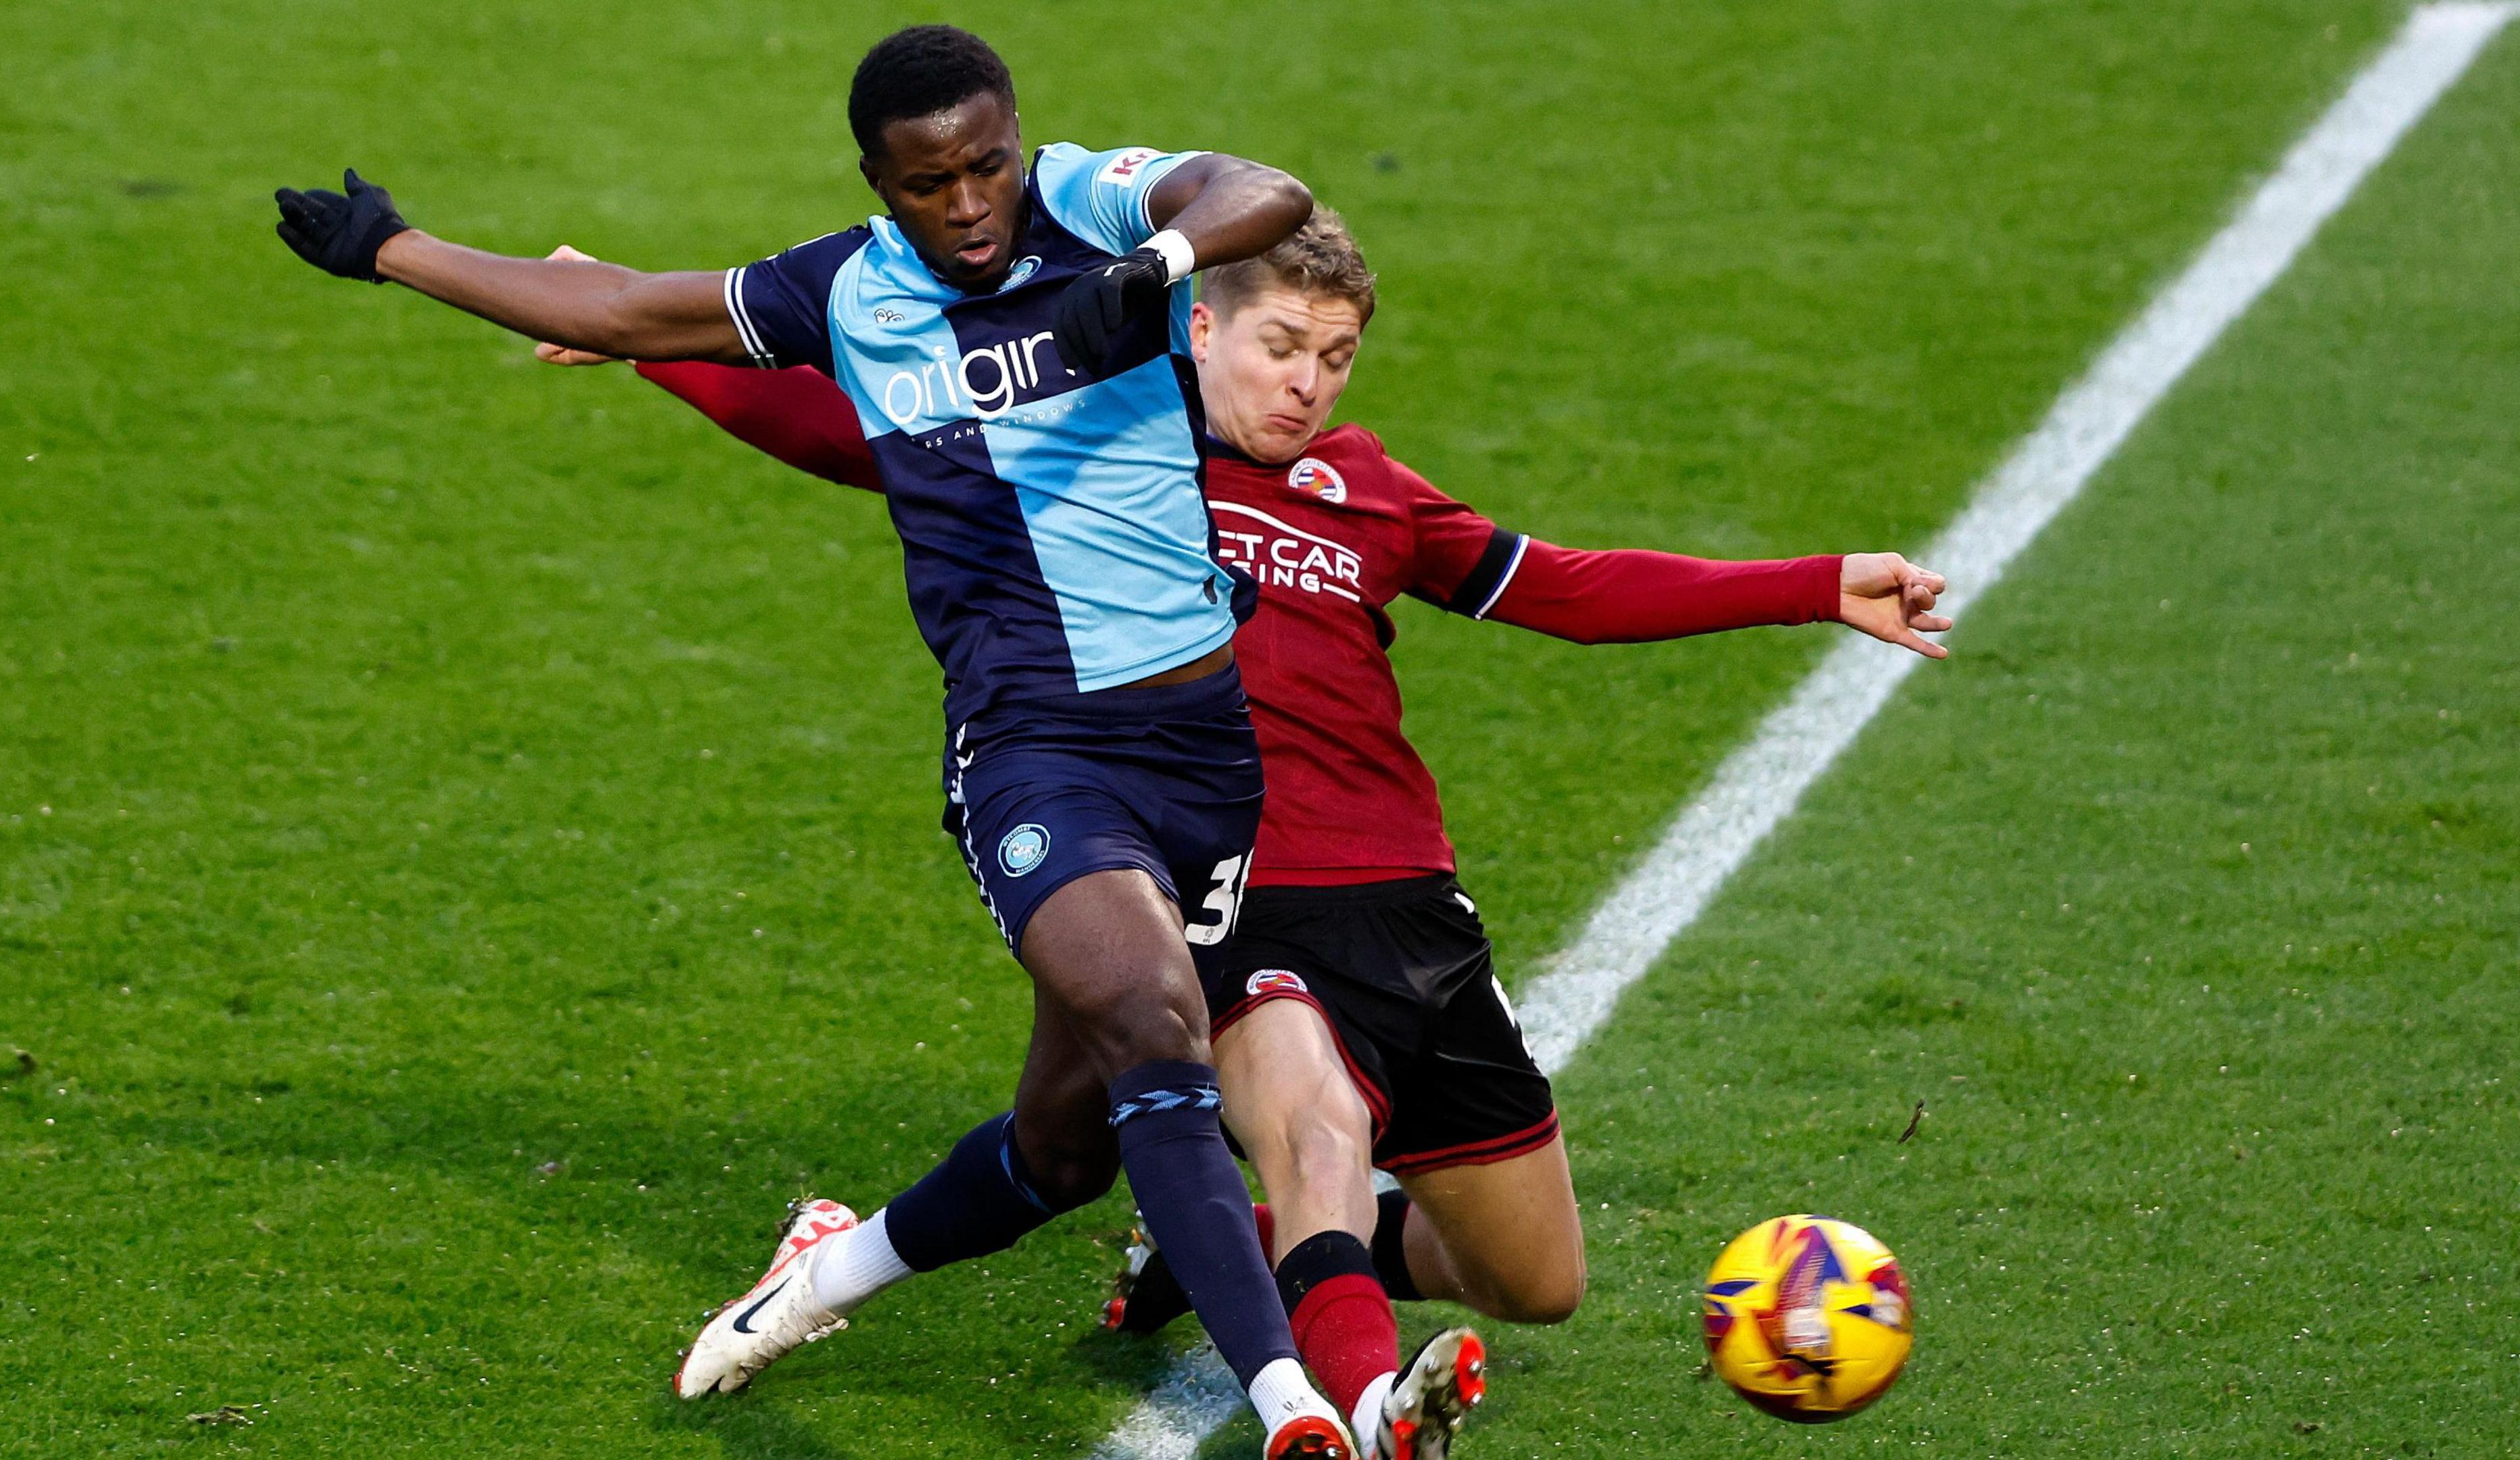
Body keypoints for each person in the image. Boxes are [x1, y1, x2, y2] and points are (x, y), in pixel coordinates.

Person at [538, 208, 1950, 1458]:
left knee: (1533, 1281)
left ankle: (1195, 1254)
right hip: (1218, 883)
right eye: (1282, 346)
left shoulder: (1370, 490)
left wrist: (1818, 583)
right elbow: (834, 424)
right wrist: (638, 335)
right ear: (1196, 319)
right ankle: (1359, 1413)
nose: (1306, 385)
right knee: (1316, 1131)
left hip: (1414, 914)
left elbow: (1564, 587)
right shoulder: (1077, 437)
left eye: (1334, 359)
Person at [272, 25, 1369, 1459]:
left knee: (1064, 1147)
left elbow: (1265, 190)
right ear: (878, 182)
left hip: (1203, 751)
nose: (970, 207)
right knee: (1161, 1037)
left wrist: (1146, 274)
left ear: (1016, 142)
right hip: (1034, 753)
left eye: (986, 166)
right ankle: (1291, 1408)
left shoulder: (1093, 203)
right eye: (930, 185)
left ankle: (825, 1276)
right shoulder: (841, 291)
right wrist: (393, 248)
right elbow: (617, 313)